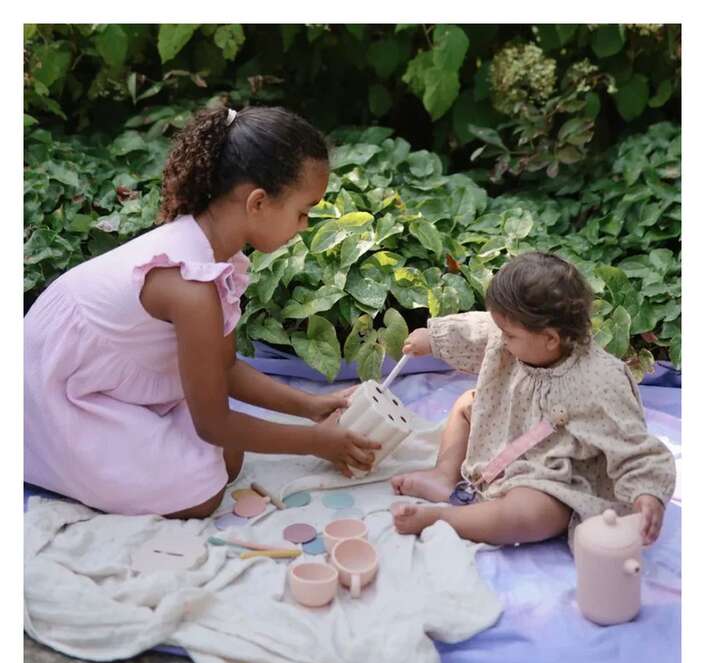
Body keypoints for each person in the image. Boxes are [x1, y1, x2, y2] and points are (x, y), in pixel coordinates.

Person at [24, 104, 380, 519]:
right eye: (303, 212)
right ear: (258, 203)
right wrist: (315, 442)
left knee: (230, 457)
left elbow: (224, 368)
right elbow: (212, 424)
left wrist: (310, 406)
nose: (304, 225)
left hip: (98, 379)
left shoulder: (213, 257)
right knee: (202, 492)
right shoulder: (191, 286)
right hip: (53, 396)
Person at [390, 252, 675, 548]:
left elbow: (632, 444)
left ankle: (444, 519)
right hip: (502, 433)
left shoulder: (600, 381)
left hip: (550, 472)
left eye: (509, 335)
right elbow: (477, 329)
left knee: (532, 513)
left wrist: (647, 493)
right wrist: (433, 339)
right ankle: (444, 475)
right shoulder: (512, 334)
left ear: (550, 338)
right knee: (466, 404)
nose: (501, 339)